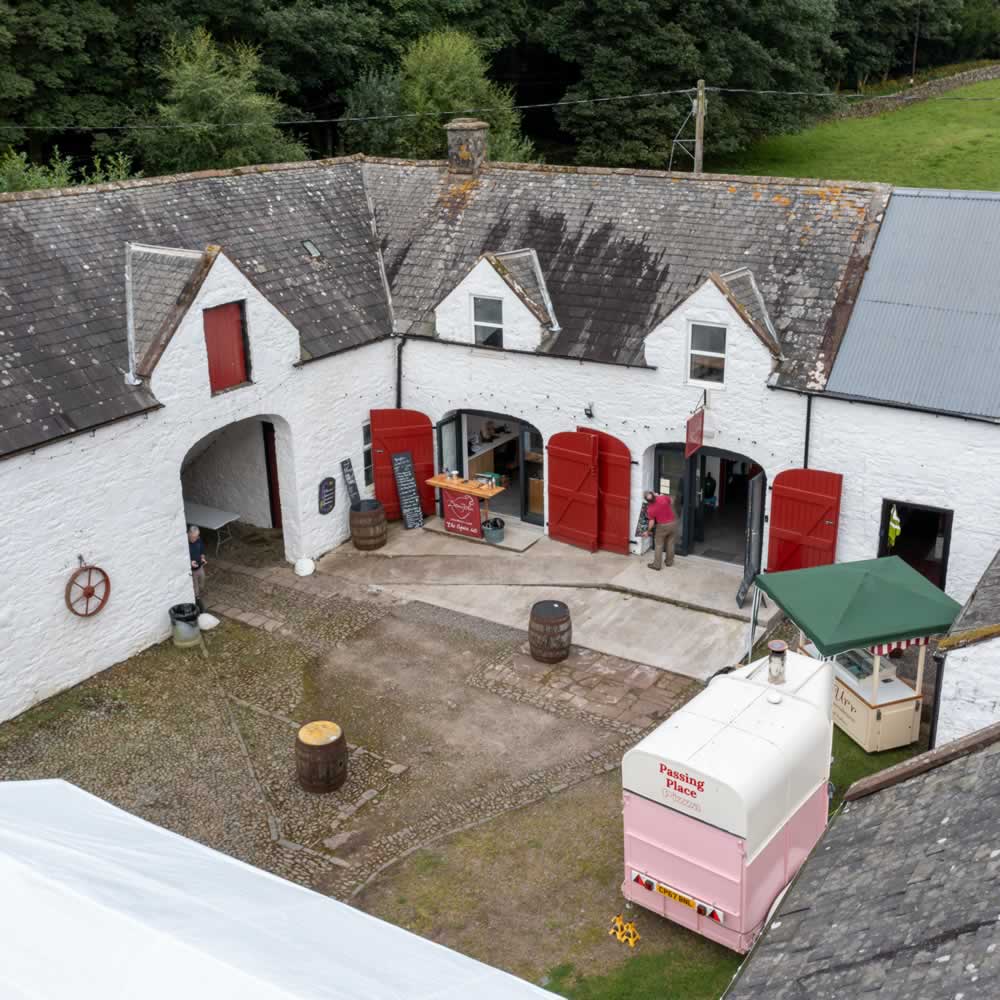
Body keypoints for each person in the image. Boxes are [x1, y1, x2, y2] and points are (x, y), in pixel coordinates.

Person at [643, 490, 677, 570]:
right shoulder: (663, 498)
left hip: (662, 526)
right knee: (670, 543)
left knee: (659, 545)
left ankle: (657, 565)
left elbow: (651, 522)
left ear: (647, 500)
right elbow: (671, 501)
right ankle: (669, 562)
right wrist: (660, 496)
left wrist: (647, 531)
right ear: (654, 494)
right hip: (673, 523)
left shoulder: (650, 509)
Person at [188, 524, 207, 608]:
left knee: (203, 578)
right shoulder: (185, 543)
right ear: (189, 534)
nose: (194, 539)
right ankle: (197, 599)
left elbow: (202, 550)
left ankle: (201, 590)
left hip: (200, 566)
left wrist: (202, 558)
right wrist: (190, 562)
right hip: (192, 569)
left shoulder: (198, 540)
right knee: (195, 585)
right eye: (193, 537)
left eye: (196, 537)